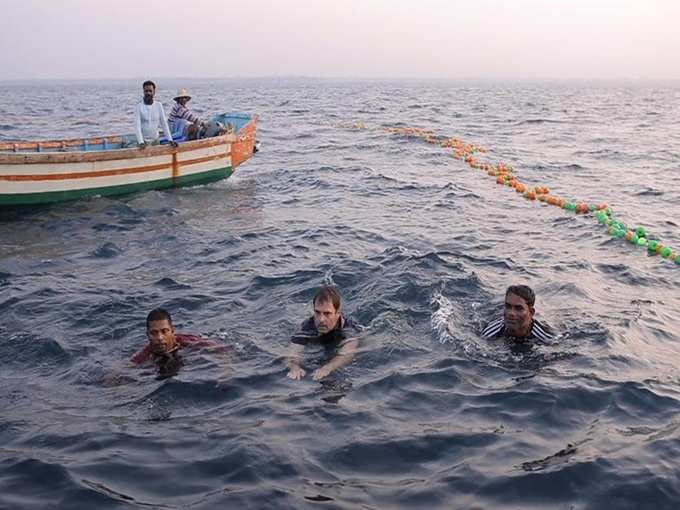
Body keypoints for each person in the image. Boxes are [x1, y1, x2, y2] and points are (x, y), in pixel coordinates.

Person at [286, 286, 359, 381]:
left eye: (327, 313)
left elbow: (347, 354)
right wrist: (294, 366)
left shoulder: (348, 328)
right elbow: (291, 353)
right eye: (317, 312)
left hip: (338, 339)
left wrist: (328, 368)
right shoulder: (308, 326)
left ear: (338, 313)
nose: (321, 320)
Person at [131, 308, 224, 377]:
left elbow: (220, 349)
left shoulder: (187, 341)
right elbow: (127, 368)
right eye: (154, 333)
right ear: (147, 335)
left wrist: (225, 373)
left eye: (164, 331)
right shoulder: (144, 354)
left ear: (172, 331)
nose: (159, 337)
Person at [482, 285, 554, 341]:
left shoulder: (545, 337)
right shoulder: (491, 332)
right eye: (508, 306)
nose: (511, 313)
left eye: (518, 308)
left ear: (531, 313)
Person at [134, 80, 177, 149]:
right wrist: (141, 142)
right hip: (143, 143)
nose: (148, 93)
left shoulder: (158, 105)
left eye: (150, 91)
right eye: (146, 91)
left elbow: (164, 124)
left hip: (155, 141)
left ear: (154, 92)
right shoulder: (138, 107)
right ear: (143, 92)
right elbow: (137, 126)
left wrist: (170, 140)